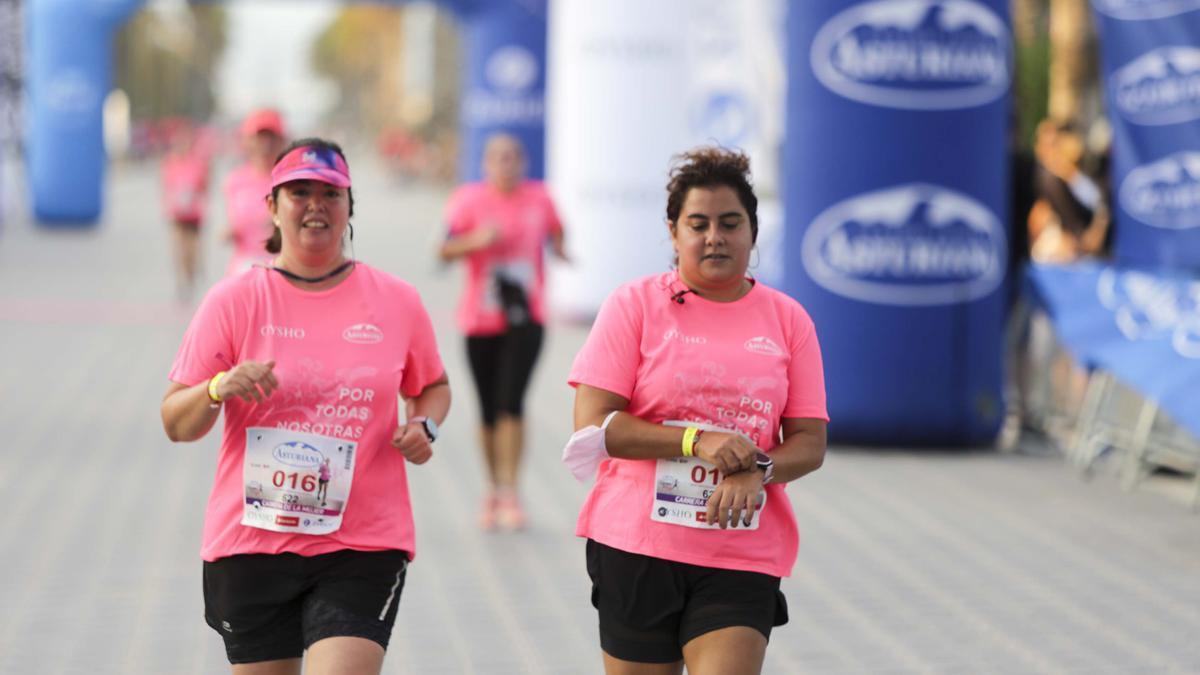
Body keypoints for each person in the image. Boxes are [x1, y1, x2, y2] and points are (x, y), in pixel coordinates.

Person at [161, 138, 450, 674]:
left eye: (330, 193)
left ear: (349, 206)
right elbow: (175, 421)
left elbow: (432, 385)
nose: (316, 204)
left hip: (363, 539)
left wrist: (425, 425)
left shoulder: (396, 300)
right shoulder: (234, 300)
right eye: (299, 192)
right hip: (253, 543)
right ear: (271, 205)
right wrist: (216, 389)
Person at [567, 147, 828, 674]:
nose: (715, 236)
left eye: (731, 223)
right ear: (673, 232)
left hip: (740, 545)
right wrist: (694, 440)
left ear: (753, 231)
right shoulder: (634, 305)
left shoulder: (789, 320)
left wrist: (762, 469)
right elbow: (593, 423)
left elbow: (810, 441)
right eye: (699, 223)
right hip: (636, 544)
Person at [439, 133, 567, 530]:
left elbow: (558, 231)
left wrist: (562, 251)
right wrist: (478, 240)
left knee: (513, 402)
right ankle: (492, 489)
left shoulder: (540, 198)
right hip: (480, 319)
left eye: (513, 158)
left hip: (526, 318)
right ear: (485, 165)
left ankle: (511, 491)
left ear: (523, 163)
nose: (506, 165)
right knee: (487, 410)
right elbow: (443, 250)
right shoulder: (467, 200)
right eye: (498, 158)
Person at [223, 109, 286, 276]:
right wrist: (231, 232)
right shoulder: (236, 181)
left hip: (281, 262)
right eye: (260, 137)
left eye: (271, 137)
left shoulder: (290, 180)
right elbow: (235, 223)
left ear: (281, 141)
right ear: (247, 141)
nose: (265, 144)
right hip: (246, 262)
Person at [160, 119, 211, 302]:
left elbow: (205, 185)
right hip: (177, 212)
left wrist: (195, 194)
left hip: (194, 212)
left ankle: (193, 269)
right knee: (179, 247)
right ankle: (182, 280)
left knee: (192, 247)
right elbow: (165, 185)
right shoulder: (170, 162)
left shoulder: (198, 162)